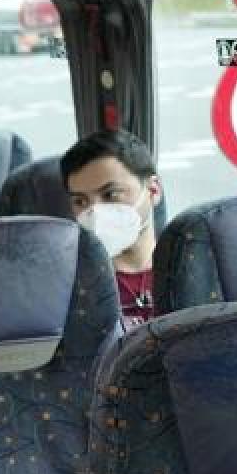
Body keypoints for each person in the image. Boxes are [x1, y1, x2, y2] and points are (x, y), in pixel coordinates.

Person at [62, 129, 163, 330]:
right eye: (80, 201)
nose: (94, 212)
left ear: (153, 191)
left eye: (110, 194)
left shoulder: (190, 267)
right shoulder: (70, 286)